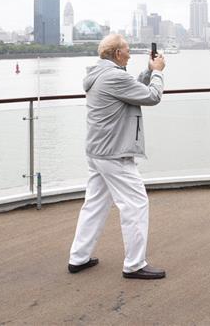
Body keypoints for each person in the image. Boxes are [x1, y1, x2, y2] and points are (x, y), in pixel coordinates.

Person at [68, 33, 167, 279]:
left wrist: (147, 71)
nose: (130, 53)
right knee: (135, 204)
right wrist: (158, 72)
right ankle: (134, 264)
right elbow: (152, 96)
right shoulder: (113, 76)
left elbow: (132, 88)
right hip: (113, 153)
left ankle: (78, 258)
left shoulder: (102, 74)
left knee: (95, 205)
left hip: (97, 151)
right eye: (127, 49)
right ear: (117, 53)